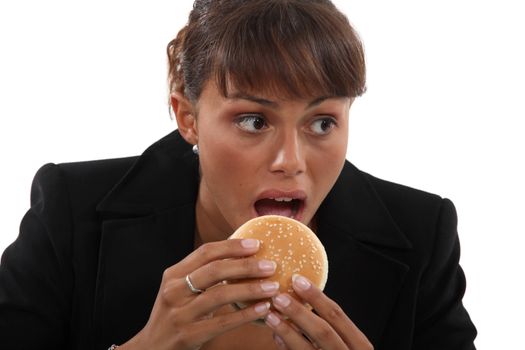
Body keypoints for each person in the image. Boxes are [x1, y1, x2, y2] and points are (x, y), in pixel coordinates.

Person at [0, 0, 477, 349]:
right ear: (187, 117)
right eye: (254, 121)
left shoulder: (420, 232)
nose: (291, 160)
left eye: (322, 122)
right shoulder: (70, 209)